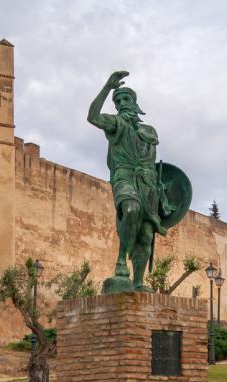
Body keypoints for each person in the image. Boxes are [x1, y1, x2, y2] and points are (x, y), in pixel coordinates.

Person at [88, 71, 172, 292]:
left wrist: (160, 190)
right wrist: (108, 87)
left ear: (134, 102)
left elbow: (151, 161)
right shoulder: (115, 123)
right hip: (125, 175)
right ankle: (120, 261)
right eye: (118, 101)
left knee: (145, 235)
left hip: (148, 184)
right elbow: (93, 117)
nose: (121, 103)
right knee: (131, 208)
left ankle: (138, 282)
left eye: (126, 99)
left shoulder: (149, 131)